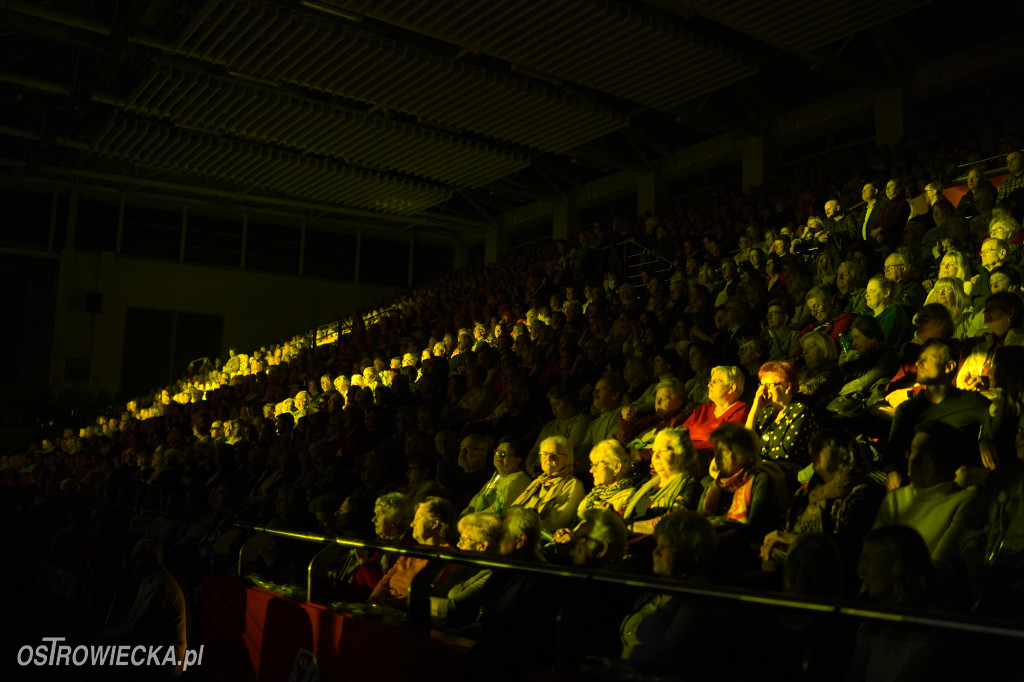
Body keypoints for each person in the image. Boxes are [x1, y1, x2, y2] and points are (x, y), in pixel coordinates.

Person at [761, 429, 883, 587]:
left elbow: (847, 548)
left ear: (845, 454)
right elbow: (789, 528)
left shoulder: (860, 491)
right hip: (794, 569)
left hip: (831, 580)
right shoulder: (804, 493)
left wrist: (793, 541)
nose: (814, 451)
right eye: (813, 447)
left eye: (822, 446)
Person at [618, 511, 722, 676]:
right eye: (656, 545)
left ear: (688, 553)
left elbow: (665, 657)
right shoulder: (657, 589)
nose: (655, 552)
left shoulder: (696, 599)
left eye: (664, 547)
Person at [888, 338, 993, 490]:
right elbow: (893, 451)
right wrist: (892, 472)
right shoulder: (907, 409)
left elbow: (998, 427)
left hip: (958, 488)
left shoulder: (972, 402)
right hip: (918, 486)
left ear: (949, 366)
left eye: (927, 359)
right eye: (919, 359)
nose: (918, 364)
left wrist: (985, 440)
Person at [846, 526, 946, 682]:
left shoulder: (933, 626)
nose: (862, 570)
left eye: (868, 560)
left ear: (896, 565)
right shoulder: (873, 625)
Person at [874, 421, 978, 566]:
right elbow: (874, 553)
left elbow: (939, 563)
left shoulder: (964, 503)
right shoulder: (895, 499)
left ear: (950, 460)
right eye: (912, 451)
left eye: (926, 454)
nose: (914, 459)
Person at [95, 540, 188, 676]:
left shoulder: (160, 586)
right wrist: (107, 631)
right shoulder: (150, 582)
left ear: (153, 560)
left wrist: (105, 635)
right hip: (159, 649)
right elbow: (133, 616)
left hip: (166, 656)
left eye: (138, 558)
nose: (133, 564)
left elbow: (139, 625)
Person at [369, 496, 459, 605]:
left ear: (434, 524)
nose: (412, 524)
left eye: (417, 519)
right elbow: (386, 580)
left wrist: (388, 604)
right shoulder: (413, 550)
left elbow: (425, 595)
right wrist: (374, 600)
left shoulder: (447, 557)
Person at [623, 428, 704, 535]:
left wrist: (629, 526)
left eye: (662, 450)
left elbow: (673, 522)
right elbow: (623, 510)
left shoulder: (690, 486)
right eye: (654, 450)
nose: (655, 456)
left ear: (682, 455)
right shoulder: (643, 486)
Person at [746, 360, 817, 471]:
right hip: (760, 468)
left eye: (768, 385)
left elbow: (785, 453)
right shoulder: (765, 413)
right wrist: (754, 410)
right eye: (761, 385)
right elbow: (745, 444)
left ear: (787, 387)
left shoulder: (799, 411)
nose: (763, 391)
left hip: (785, 472)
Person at [510, 436, 585, 534]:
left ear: (567, 458)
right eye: (544, 454)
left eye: (554, 455)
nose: (548, 459)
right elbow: (513, 508)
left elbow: (555, 523)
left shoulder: (573, 484)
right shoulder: (538, 481)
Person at [681, 366, 749, 460]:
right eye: (710, 381)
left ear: (732, 388)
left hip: (711, 460)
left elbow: (725, 442)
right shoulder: (702, 409)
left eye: (716, 381)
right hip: (685, 455)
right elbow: (681, 433)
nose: (709, 385)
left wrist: (689, 448)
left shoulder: (741, 410)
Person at [462, 438, 531, 517]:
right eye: (497, 452)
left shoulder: (519, 480)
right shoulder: (496, 477)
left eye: (504, 453)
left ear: (518, 460)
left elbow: (497, 511)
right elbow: (474, 504)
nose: (499, 456)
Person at [864, 274, 912, 350]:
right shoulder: (867, 316)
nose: (867, 295)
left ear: (886, 293)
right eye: (867, 292)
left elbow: (884, 341)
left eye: (872, 291)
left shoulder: (894, 311)